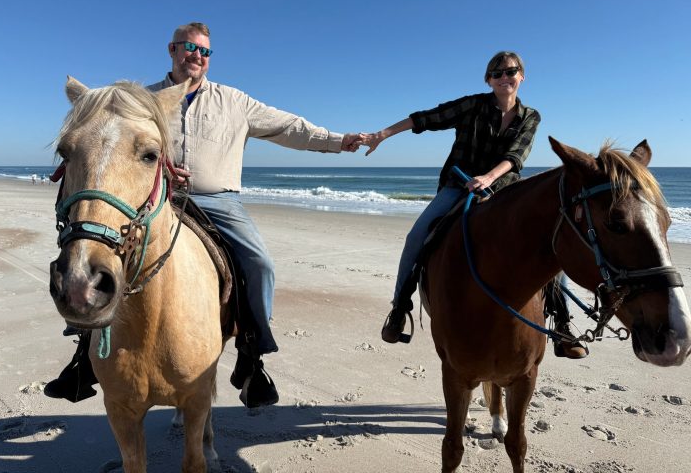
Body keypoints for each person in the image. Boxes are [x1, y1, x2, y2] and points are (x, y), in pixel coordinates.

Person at [44, 21, 364, 408]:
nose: (196, 55)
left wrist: (336, 141)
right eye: (188, 47)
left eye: (204, 51)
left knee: (260, 263)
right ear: (172, 50)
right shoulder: (142, 102)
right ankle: (83, 352)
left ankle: (252, 350)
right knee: (98, 253)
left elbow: (289, 128)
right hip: (158, 200)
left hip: (219, 201)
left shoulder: (235, 102)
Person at [361, 51, 545, 346]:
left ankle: (561, 319)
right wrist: (382, 134)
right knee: (416, 237)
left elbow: (516, 156)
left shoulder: (530, 117)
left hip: (504, 190)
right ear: (488, 80)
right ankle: (399, 308)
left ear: (521, 76)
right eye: (496, 74)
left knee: (547, 237)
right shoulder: (472, 105)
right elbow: (426, 119)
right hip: (458, 186)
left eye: (510, 72)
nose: (504, 78)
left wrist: (489, 178)